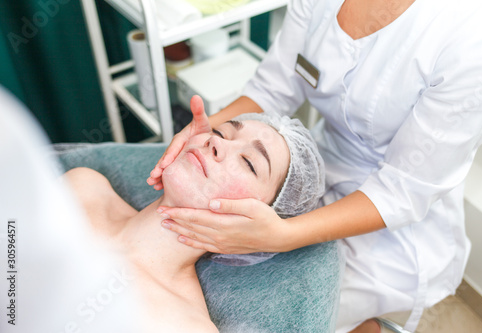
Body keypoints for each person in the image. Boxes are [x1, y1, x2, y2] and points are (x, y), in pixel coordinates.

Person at [147, 0, 482, 332]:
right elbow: (273, 89)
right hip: (317, 165)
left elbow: (402, 189)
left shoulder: (475, 37)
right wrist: (208, 130)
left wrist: (284, 236)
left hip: (390, 227)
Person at [65, 108, 325, 332]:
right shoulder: (84, 186)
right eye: (221, 132)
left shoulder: (184, 326)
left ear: (258, 225)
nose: (217, 143)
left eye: (249, 163)